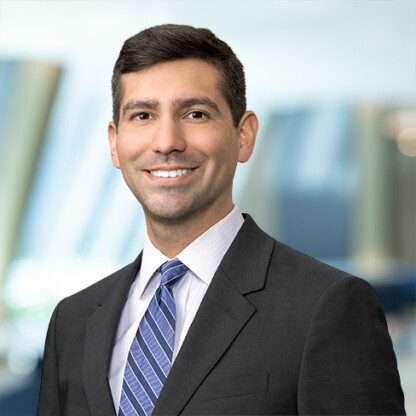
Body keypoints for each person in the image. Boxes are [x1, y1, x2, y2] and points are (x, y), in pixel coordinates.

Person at [37, 24, 405, 416]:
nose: (166, 142)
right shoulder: (73, 322)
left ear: (243, 135)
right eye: (143, 115)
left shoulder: (327, 307)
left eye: (195, 113)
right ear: (114, 142)